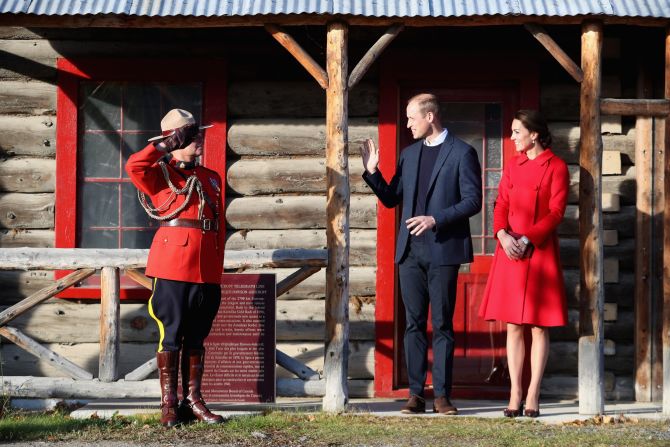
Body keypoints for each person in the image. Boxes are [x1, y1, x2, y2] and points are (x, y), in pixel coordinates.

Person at [361, 93, 482, 415]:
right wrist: (372, 172)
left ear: (430, 117)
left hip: (444, 251)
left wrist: (435, 218)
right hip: (410, 253)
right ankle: (416, 395)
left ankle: (442, 396)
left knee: (441, 324)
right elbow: (390, 199)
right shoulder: (409, 155)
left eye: (412, 118)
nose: (408, 124)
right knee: (413, 324)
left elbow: (474, 201)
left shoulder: (462, 152)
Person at [126, 108, 225, 427]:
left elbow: (216, 225)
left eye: (197, 133)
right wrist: (164, 147)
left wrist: (216, 267)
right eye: (190, 135)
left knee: (197, 337)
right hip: (173, 267)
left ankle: (193, 400)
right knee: (171, 336)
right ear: (174, 138)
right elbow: (134, 164)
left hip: (207, 268)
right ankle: (169, 404)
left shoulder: (211, 177)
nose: (199, 139)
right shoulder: (158, 172)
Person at [478, 109, 569, 418]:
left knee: (538, 326)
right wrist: (502, 236)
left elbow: (556, 212)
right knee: (513, 324)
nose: (511, 137)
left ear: (534, 134)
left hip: (538, 251)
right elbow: (500, 202)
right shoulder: (512, 165)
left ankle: (533, 392)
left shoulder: (556, 167)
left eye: (517, 131)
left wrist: (528, 239)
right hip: (510, 252)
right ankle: (515, 391)